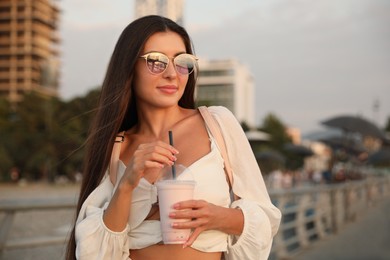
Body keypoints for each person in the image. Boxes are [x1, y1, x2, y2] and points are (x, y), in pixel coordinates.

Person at [66, 15, 281, 260]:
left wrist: (218, 216)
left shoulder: (217, 124)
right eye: (156, 61)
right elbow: (99, 253)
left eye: (182, 61)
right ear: (128, 67)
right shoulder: (116, 146)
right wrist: (126, 184)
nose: (171, 73)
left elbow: (265, 219)